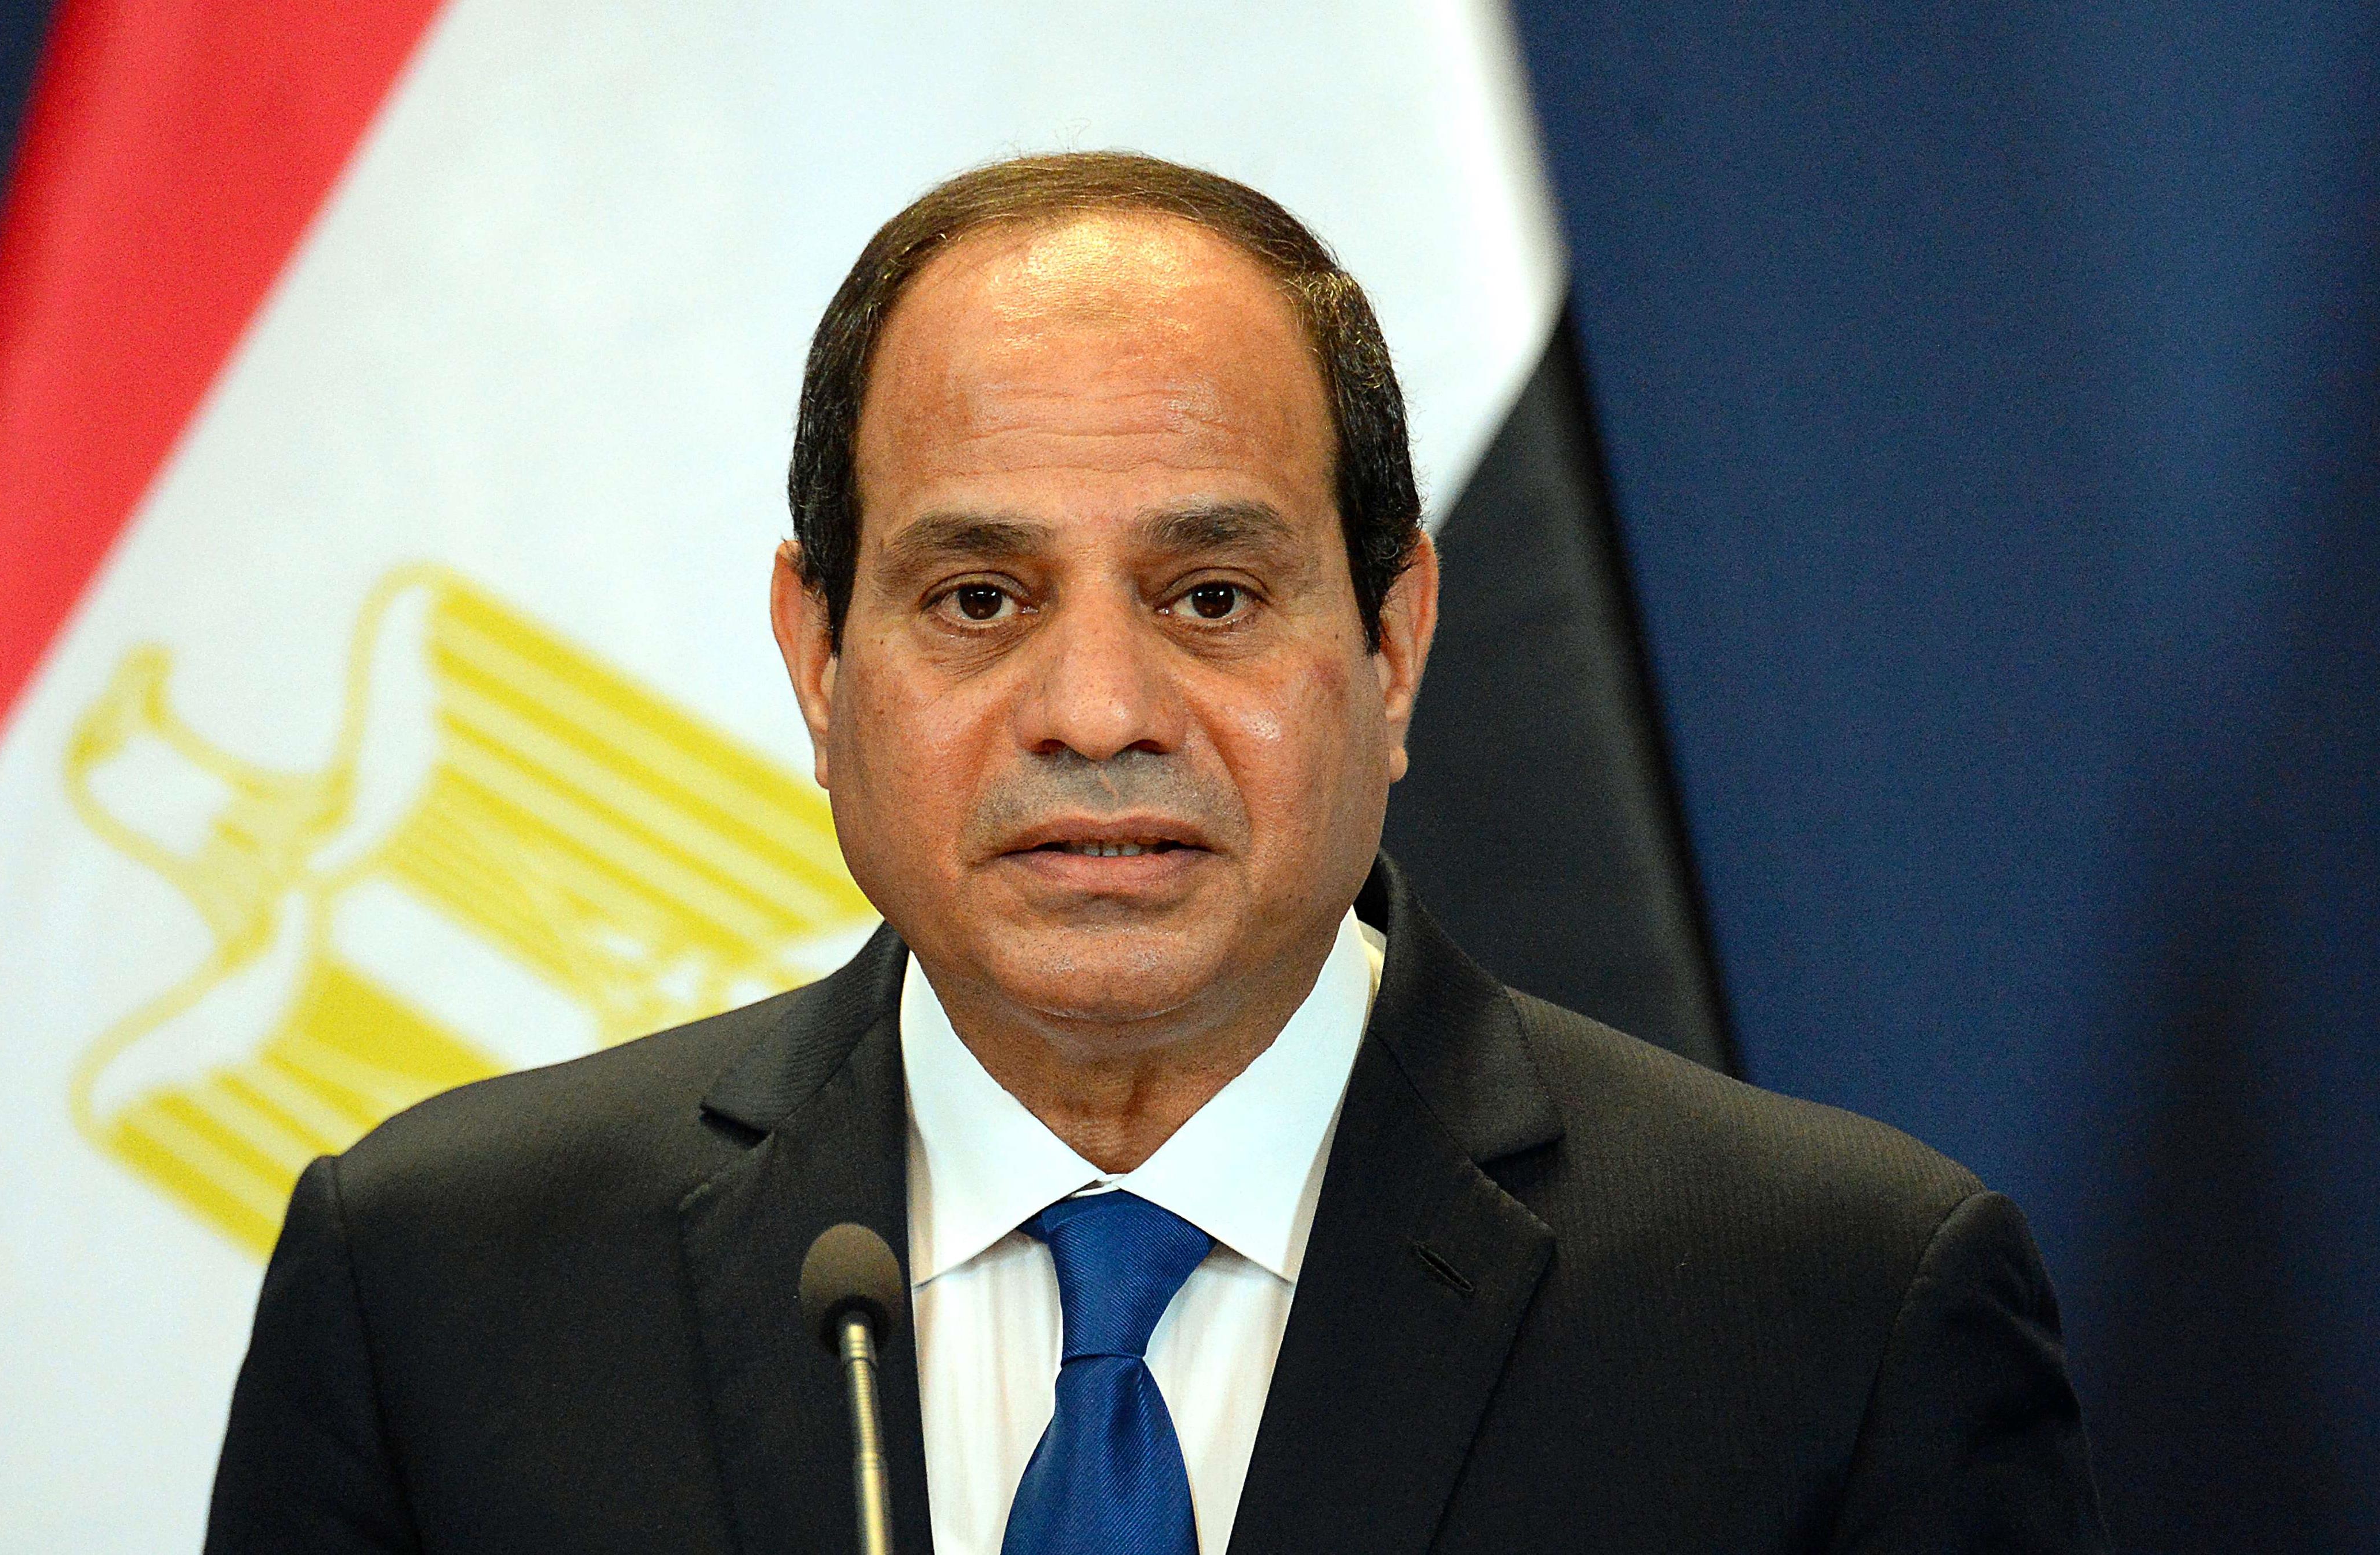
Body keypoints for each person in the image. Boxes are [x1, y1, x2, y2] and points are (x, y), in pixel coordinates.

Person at [205, 152, 2107, 1554]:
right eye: (978, 598)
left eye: (1211, 595)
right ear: (818, 658)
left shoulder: (1833, 1318)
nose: (1099, 709)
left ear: (1394, 645)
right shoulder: (441, 1290)